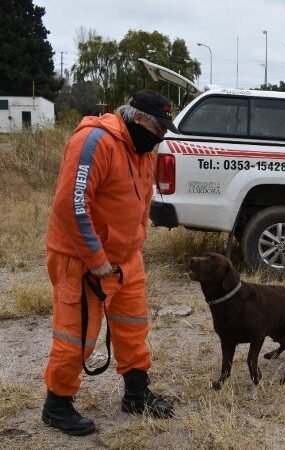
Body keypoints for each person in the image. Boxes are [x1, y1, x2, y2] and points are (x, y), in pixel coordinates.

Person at [42, 90, 177, 436]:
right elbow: (71, 206)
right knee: (76, 336)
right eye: (159, 128)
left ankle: (136, 393)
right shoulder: (94, 142)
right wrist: (96, 258)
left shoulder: (142, 148)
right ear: (141, 119)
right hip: (81, 260)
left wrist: (134, 245)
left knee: (133, 326)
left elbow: (141, 198)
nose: (161, 136)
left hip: (125, 258)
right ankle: (57, 405)